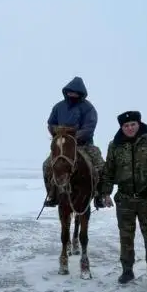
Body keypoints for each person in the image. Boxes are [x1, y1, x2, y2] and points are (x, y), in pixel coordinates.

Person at [98, 110, 147, 289]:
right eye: (126, 126)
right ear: (122, 127)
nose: (129, 128)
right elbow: (109, 171)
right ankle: (127, 271)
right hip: (125, 200)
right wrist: (106, 193)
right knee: (126, 239)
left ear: (139, 124)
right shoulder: (115, 145)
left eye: (132, 124)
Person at [42, 76, 106, 208]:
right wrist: (57, 131)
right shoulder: (58, 107)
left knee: (100, 165)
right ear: (66, 92)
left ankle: (99, 196)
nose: (72, 94)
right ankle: (52, 194)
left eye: (75, 92)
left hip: (84, 144)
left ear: (80, 93)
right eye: (70, 91)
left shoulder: (88, 108)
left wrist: (73, 135)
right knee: (47, 165)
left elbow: (89, 127)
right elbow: (51, 123)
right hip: (63, 145)